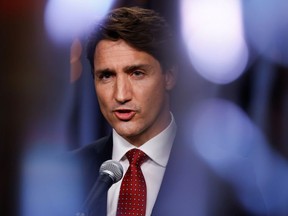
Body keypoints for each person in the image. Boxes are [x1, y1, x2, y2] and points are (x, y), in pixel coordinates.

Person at [73, 6, 254, 216]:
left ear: (169, 76)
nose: (121, 95)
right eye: (106, 76)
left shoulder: (221, 180)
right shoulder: (69, 173)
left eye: (137, 73)